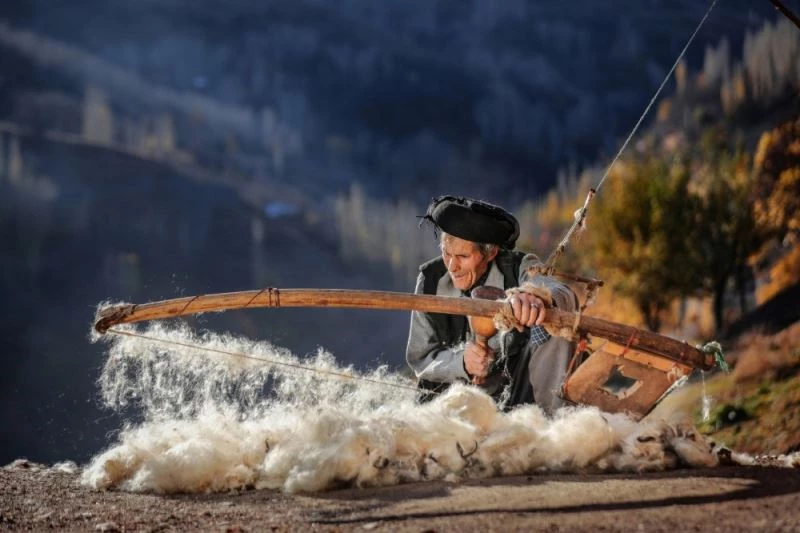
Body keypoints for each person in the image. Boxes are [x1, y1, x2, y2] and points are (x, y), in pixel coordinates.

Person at [405, 195, 579, 414]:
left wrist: (533, 294)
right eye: (446, 253)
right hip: (450, 404)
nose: (452, 266)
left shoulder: (518, 267)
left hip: (516, 399)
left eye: (462, 256)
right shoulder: (430, 280)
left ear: (490, 253)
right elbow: (420, 358)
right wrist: (462, 363)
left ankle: (550, 421)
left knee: (554, 320)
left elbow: (561, 292)